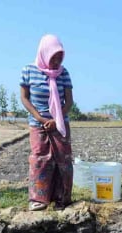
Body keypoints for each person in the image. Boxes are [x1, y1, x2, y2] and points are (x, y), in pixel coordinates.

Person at [20, 34, 74, 211]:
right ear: (44, 54)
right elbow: (25, 98)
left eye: (60, 57)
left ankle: (62, 199)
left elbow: (69, 101)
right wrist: (40, 118)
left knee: (63, 159)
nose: (57, 61)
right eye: (53, 57)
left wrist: (56, 119)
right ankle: (39, 199)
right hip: (38, 123)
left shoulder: (64, 73)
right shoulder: (28, 70)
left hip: (60, 123)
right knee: (40, 159)